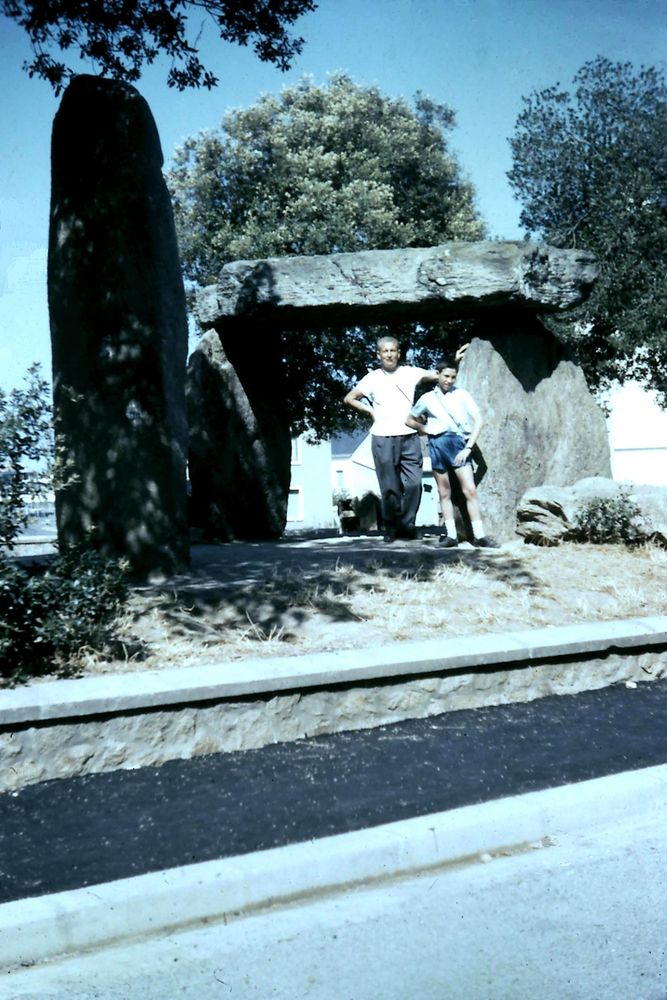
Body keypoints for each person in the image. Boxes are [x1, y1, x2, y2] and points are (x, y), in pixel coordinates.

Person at [343, 335, 441, 542]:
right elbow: (349, 398)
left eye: (393, 350)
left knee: (414, 483)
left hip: (409, 435)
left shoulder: (410, 372)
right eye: (385, 351)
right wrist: (369, 411)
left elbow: (438, 375)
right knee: (389, 487)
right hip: (382, 437)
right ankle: (393, 529)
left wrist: (456, 361)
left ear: (399, 353)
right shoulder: (372, 378)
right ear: (378, 354)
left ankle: (407, 525)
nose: (389, 354)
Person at [404, 357, 497, 548]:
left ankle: (479, 536)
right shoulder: (428, 398)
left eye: (453, 377)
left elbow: (479, 420)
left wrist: (468, 447)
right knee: (444, 492)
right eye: (446, 376)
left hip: (459, 444)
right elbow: (409, 420)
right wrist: (426, 429)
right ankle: (451, 536)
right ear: (437, 375)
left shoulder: (462, 394)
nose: (449, 380)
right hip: (438, 445)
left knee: (469, 490)